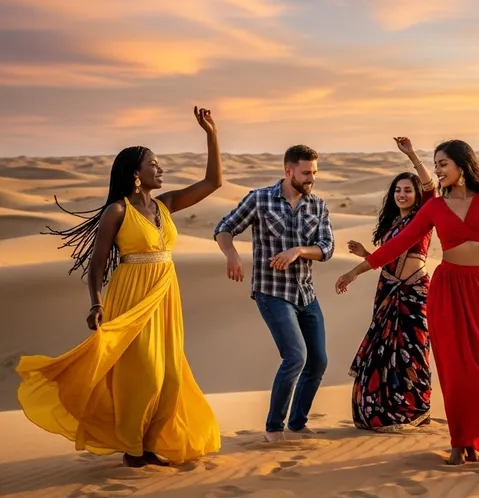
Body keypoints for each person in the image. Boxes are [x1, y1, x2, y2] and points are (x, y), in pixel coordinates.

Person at [336, 100, 479, 465]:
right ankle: (460, 443)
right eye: (435, 164)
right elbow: (397, 245)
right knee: (456, 368)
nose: (437, 170)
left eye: (442, 164)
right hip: (447, 289)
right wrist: (356, 270)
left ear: (461, 165)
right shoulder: (434, 207)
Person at [16, 107, 223, 467]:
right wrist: (96, 304)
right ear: (136, 174)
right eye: (154, 164)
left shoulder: (166, 204)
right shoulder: (118, 211)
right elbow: (97, 265)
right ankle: (132, 448)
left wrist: (212, 134)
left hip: (165, 296)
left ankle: (149, 445)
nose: (161, 169)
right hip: (131, 296)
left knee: (171, 377)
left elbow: (212, 183)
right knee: (145, 375)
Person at [214, 145, 334, 441]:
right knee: (295, 356)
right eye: (305, 173)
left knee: (318, 361)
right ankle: (274, 428)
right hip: (272, 292)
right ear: (288, 170)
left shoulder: (317, 205)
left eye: (314, 173)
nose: (311, 178)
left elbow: (327, 247)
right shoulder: (260, 199)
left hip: (306, 293)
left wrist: (299, 250)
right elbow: (224, 228)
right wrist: (231, 254)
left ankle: (298, 423)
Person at [347, 136, 437, 432]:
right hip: (387, 290)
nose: (402, 194)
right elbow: (388, 257)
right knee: (384, 351)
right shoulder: (390, 225)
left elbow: (431, 188)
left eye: (407, 190)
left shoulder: (424, 217)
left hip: (414, 291)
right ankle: (382, 412)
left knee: (413, 349)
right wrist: (366, 255)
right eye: (398, 190)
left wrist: (412, 155)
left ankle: (413, 410)